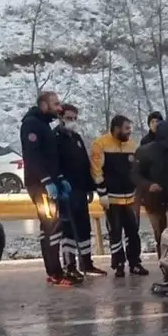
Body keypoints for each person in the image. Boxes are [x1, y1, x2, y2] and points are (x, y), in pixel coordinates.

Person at [20, 91, 79, 287]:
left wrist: (60, 178)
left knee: (52, 227)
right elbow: (33, 156)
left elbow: (50, 157)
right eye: (56, 104)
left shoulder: (44, 125)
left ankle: (54, 270)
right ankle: (55, 272)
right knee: (51, 227)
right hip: (40, 185)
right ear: (44, 105)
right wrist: (47, 181)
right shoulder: (31, 124)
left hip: (51, 182)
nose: (59, 108)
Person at [132, 120, 168, 292]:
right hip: (155, 202)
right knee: (162, 238)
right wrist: (148, 185)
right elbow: (135, 175)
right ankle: (167, 274)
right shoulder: (145, 151)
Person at [91, 115, 148, 277]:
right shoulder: (100, 144)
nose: (129, 132)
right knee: (115, 231)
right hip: (111, 197)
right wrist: (102, 193)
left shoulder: (132, 145)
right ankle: (119, 264)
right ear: (116, 129)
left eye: (130, 128)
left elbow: (136, 170)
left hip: (131, 198)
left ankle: (135, 263)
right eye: (126, 128)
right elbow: (96, 171)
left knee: (133, 232)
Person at [55, 104, 107, 279]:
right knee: (68, 229)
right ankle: (70, 265)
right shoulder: (55, 138)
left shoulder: (76, 138)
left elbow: (84, 163)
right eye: (69, 118)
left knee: (84, 227)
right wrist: (59, 181)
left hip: (79, 190)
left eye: (75, 118)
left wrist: (89, 187)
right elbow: (53, 163)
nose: (72, 122)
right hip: (65, 190)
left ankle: (87, 262)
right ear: (61, 117)